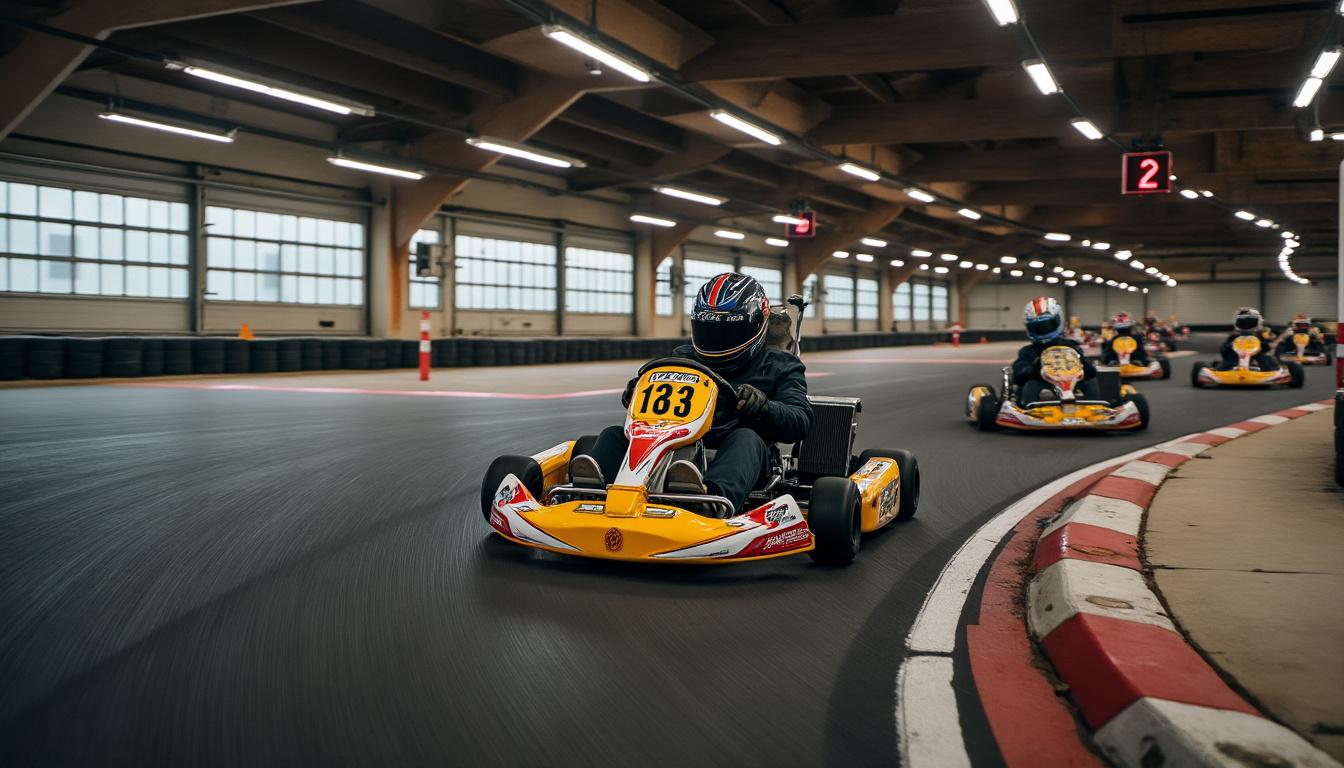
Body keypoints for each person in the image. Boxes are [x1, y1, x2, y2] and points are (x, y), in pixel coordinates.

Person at [570, 273, 812, 514]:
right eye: (710, 331)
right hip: (673, 447)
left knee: (746, 438)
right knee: (613, 435)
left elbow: (800, 420)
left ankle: (709, 504)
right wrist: (636, 390)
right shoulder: (683, 357)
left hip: (742, 457)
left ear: (757, 325)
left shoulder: (780, 365)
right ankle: (590, 494)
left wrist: (765, 407)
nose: (717, 341)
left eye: (728, 332)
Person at [1012, 296, 1100, 404]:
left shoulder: (1071, 346)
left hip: (1072, 385)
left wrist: (1083, 365)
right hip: (1042, 388)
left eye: (1047, 326)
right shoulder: (1028, 352)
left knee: (1090, 382)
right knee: (1030, 385)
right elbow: (1018, 375)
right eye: (1037, 327)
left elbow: (1090, 372)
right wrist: (1034, 368)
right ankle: (1028, 409)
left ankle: (1093, 407)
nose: (1043, 330)